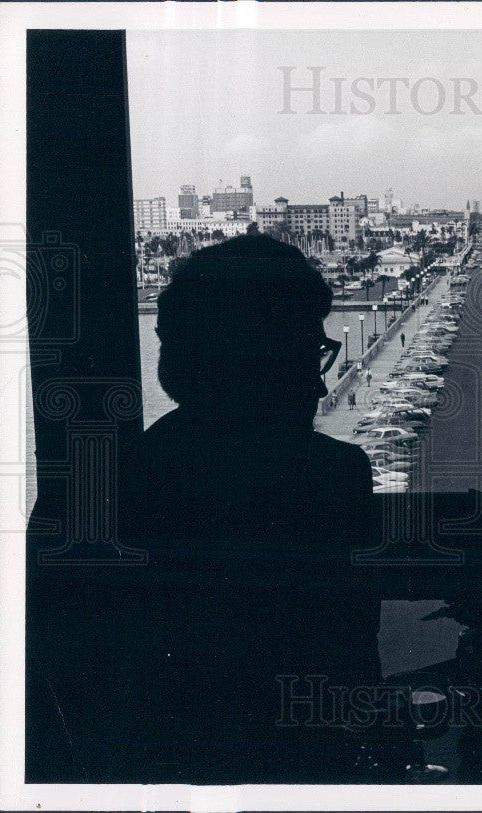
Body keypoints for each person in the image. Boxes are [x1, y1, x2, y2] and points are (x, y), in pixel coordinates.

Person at [117, 234, 382, 782]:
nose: (316, 383)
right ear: (261, 364)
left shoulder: (113, 481)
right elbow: (352, 672)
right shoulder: (332, 476)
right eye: (306, 355)